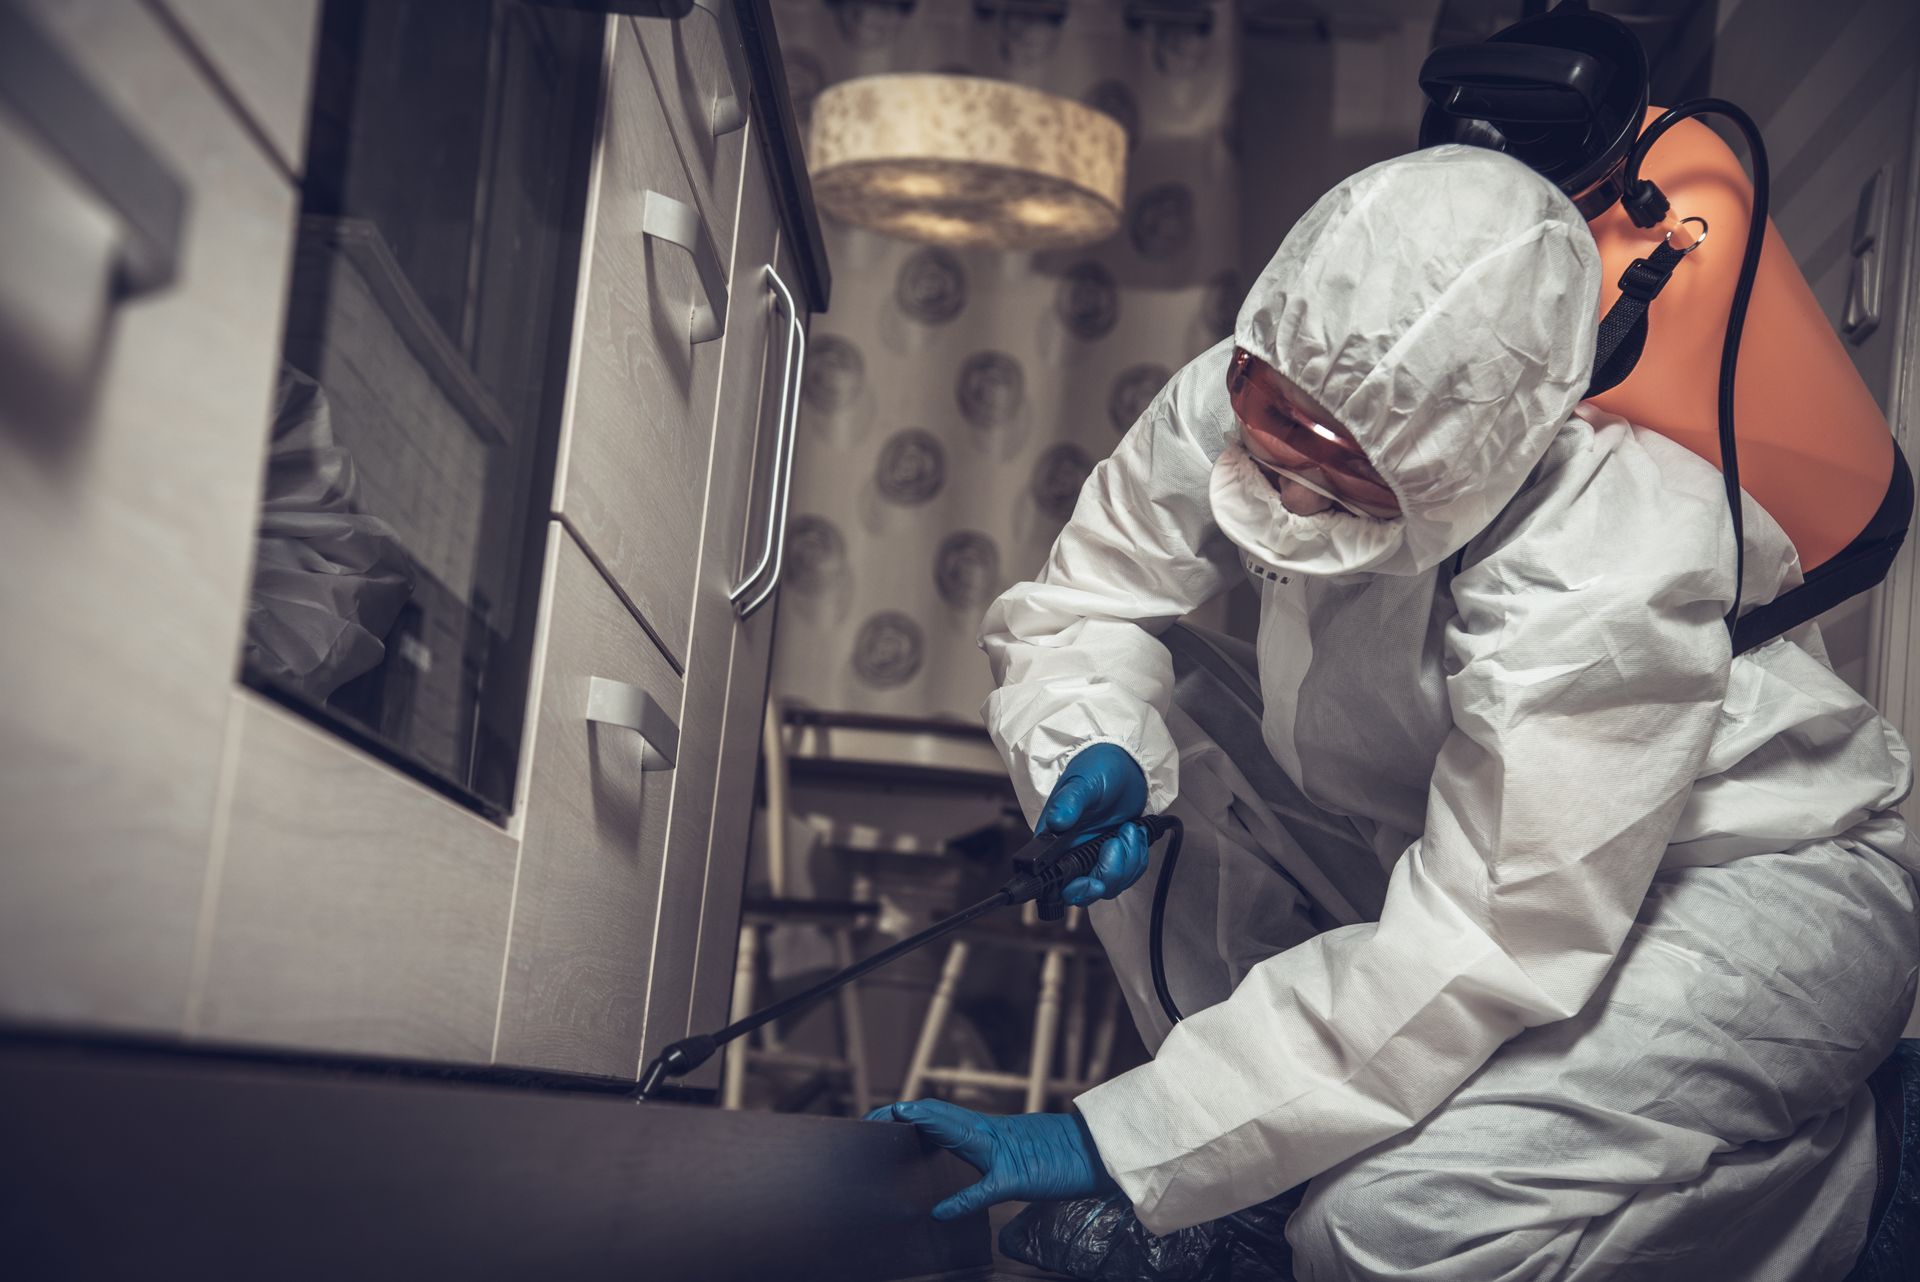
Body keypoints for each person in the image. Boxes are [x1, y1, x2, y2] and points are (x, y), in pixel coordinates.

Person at [867, 146, 1920, 1281]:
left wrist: (1113, 1137)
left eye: (1354, 477)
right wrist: (1099, 744)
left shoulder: (1606, 565)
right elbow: (1081, 605)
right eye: (1282, 434)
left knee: (1389, 1225)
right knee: (1153, 692)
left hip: (1749, 890)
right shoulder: (1250, 386)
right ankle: (1252, 1168)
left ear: (1490, 452)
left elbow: (1484, 931)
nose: (1293, 493)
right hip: (1463, 849)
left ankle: (1854, 1181)